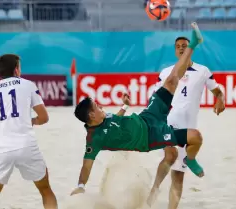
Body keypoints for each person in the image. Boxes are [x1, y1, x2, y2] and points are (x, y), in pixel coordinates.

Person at [70, 23, 204, 196]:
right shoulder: (93, 139)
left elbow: (115, 119)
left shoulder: (103, 117)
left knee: (171, 81)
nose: (101, 106)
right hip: (150, 136)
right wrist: (81, 185)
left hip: (146, 117)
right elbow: (86, 165)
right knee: (196, 137)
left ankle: (193, 44)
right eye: (97, 106)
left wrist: (125, 106)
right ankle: (190, 159)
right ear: (91, 115)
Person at [146, 36, 225, 208]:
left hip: (189, 126)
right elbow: (154, 98)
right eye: (178, 46)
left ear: (191, 48)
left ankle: (189, 161)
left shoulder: (203, 71)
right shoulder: (166, 72)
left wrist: (221, 99)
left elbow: (217, 91)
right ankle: (155, 188)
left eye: (185, 46)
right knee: (170, 156)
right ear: (175, 51)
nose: (181, 48)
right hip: (168, 121)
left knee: (178, 175)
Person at [0, 54, 57, 209]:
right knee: (45, 189)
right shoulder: (28, 85)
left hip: (1, 148)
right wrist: (31, 121)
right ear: (16, 69)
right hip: (25, 145)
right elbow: (44, 117)